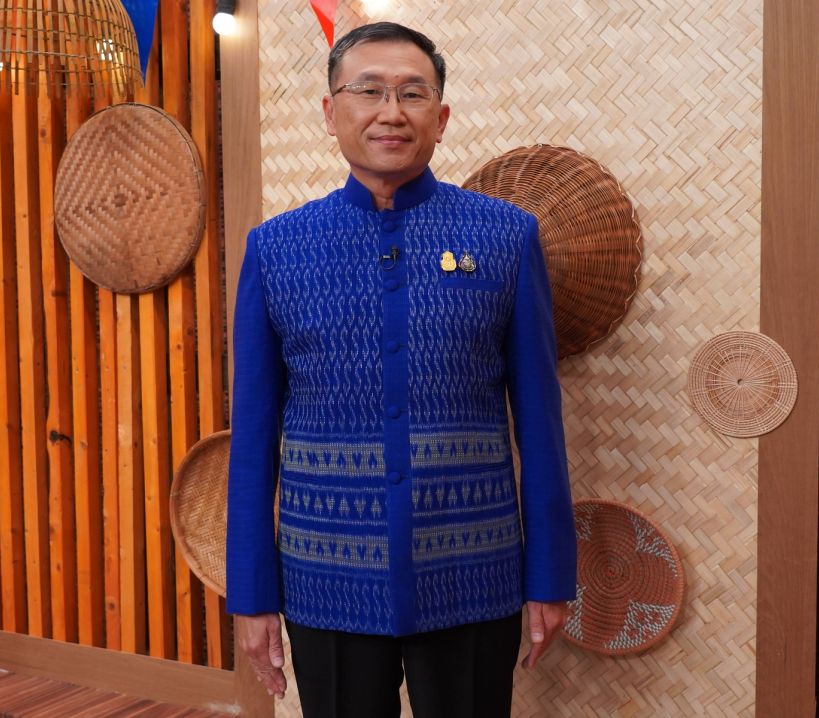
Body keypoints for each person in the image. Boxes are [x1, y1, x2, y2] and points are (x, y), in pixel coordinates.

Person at [225, 21, 578, 718]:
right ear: (331, 113)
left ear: (440, 119)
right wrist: (253, 594)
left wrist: (549, 576)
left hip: (472, 572)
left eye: (413, 94)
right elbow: (253, 440)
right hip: (327, 579)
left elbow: (540, 424)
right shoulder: (276, 249)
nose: (391, 112)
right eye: (368, 91)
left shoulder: (505, 236)